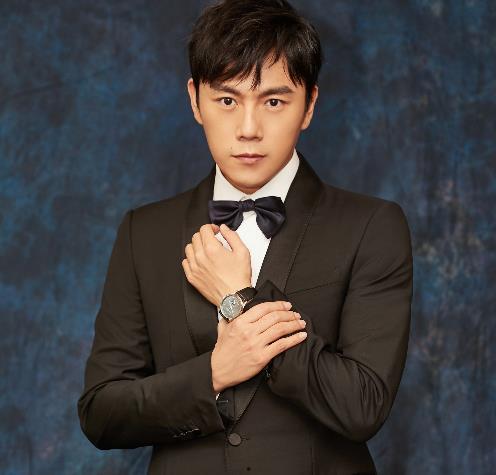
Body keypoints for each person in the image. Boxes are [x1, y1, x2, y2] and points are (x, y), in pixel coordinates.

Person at [77, 1, 413, 474]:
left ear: (309, 106)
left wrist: (238, 298)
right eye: (227, 100)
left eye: (274, 102)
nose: (249, 130)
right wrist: (214, 373)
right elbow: (101, 413)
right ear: (195, 101)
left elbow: (364, 406)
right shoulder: (144, 232)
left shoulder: (372, 226)